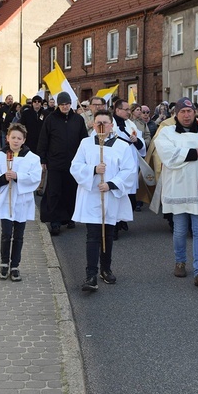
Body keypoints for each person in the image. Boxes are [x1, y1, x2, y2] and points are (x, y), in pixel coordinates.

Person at [70, 110, 137, 292]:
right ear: (93, 124)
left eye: (105, 122)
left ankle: (105, 269)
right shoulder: (85, 144)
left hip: (110, 196)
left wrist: (111, 184)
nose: (101, 125)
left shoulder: (122, 146)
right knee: (92, 236)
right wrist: (93, 169)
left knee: (107, 235)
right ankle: (90, 274)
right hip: (92, 195)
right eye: (98, 122)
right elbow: (75, 167)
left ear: (111, 125)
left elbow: (129, 170)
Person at [156, 97, 198, 287]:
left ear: (195, 112)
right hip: (177, 188)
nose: (187, 115)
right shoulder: (166, 132)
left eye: (189, 111)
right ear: (176, 114)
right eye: (182, 111)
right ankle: (180, 262)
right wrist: (196, 152)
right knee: (180, 230)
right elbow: (169, 157)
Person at [0, 123, 42, 282]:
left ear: (24, 140)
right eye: (13, 137)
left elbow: (35, 178)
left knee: (19, 235)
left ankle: (15, 265)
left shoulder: (32, 158)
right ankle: (4, 263)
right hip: (5, 200)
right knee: (7, 233)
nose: (16, 141)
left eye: (19, 138)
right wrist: (3, 178)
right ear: (8, 138)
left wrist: (18, 176)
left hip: (22, 201)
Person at [37, 91, 88, 236]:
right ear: (58, 105)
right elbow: (43, 140)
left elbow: (84, 141)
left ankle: (70, 217)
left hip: (74, 163)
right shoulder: (50, 119)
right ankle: (55, 221)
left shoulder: (78, 119)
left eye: (67, 104)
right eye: (62, 104)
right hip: (55, 162)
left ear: (70, 104)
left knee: (71, 191)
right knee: (54, 192)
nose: (65, 107)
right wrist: (43, 159)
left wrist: (85, 159)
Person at [112, 99, 146, 238]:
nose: (128, 112)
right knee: (116, 197)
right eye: (125, 110)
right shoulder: (110, 124)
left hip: (130, 165)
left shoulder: (130, 124)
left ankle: (122, 220)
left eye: (128, 110)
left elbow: (141, 144)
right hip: (115, 167)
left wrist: (136, 141)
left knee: (130, 197)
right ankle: (113, 227)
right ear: (117, 110)